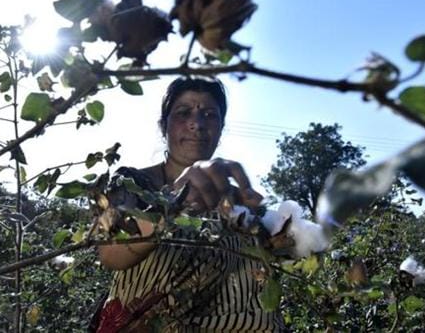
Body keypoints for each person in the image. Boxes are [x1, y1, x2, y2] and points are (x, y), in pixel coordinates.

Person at [94, 77, 286, 332]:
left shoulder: (236, 201)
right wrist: (175, 202)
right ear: (164, 126)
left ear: (221, 127)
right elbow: (110, 254)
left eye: (209, 114)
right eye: (184, 113)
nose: (197, 124)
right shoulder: (131, 183)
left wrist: (276, 237)